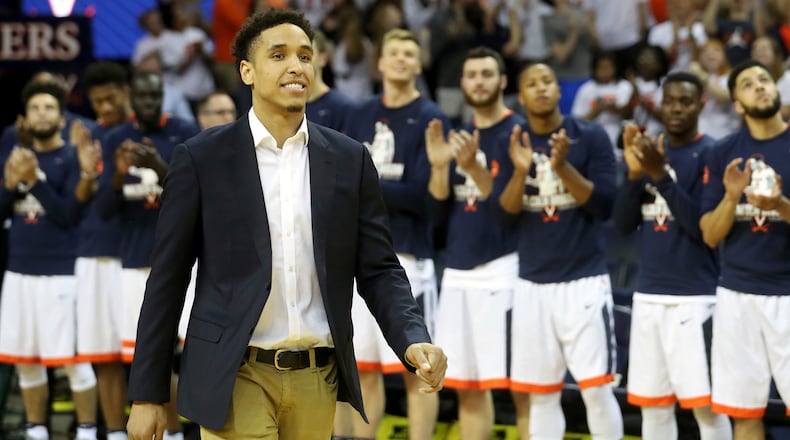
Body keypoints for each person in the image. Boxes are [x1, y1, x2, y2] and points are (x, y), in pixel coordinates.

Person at [125, 9, 446, 440]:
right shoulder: (201, 158)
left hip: (318, 375)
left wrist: (412, 337)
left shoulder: (350, 159)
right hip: (234, 374)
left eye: (305, 56)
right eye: (279, 55)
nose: (296, 66)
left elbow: (379, 267)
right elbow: (167, 278)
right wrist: (148, 394)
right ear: (247, 71)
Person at [492, 63, 623, 439]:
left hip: (584, 281)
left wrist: (562, 168)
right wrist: (521, 171)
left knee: (596, 391)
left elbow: (604, 206)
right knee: (542, 395)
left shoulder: (590, 135)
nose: (541, 88)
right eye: (531, 83)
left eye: (547, 81)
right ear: (521, 95)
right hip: (532, 284)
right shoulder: (510, 140)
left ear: (559, 89)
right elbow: (502, 216)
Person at [342, 28, 449, 440]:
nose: (401, 58)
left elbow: (423, 196)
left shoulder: (431, 117)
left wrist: (365, 184)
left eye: (409, 53)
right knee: (363, 369)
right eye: (394, 52)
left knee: (417, 367)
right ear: (381, 63)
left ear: (418, 64)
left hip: (409, 257)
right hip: (357, 258)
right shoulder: (359, 114)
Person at [613, 72, 732, 440]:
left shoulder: (712, 152)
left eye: (685, 101)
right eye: (670, 102)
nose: (676, 108)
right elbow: (622, 224)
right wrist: (636, 176)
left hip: (695, 298)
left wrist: (660, 176)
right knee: (653, 407)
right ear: (660, 105)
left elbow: (701, 229)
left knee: (706, 408)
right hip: (648, 295)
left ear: (701, 105)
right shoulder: (649, 151)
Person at [95, 69, 199, 440]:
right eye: (143, 97)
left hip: (186, 261)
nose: (150, 103)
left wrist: (160, 168)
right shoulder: (115, 138)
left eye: (156, 96)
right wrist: (118, 176)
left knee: (201, 352)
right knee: (150, 357)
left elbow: (198, 195)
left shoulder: (185, 131)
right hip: (135, 260)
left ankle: (203, 429)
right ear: (131, 97)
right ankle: (170, 433)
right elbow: (104, 210)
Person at [427, 47, 524, 440]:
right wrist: (439, 168)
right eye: (471, 75)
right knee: (466, 387)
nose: (479, 82)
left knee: (520, 389)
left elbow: (510, 211)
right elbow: (438, 213)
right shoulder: (456, 136)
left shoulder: (519, 133)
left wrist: (473, 168)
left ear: (503, 81)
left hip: (503, 267)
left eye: (487, 74)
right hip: (457, 270)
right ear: (462, 83)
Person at [0, 81, 99, 440]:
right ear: (24, 119)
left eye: (49, 108)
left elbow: (68, 215)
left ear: (61, 119)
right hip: (18, 272)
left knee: (74, 361)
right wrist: (10, 185)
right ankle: (36, 430)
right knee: (25, 360)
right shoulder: (13, 156)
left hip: (61, 273)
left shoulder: (72, 158)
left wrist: (33, 181)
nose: (41, 114)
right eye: (35, 108)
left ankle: (87, 431)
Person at [699, 60, 790, 440]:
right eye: (748, 84)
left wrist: (779, 205)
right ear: (737, 104)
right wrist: (731, 197)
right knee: (744, 414)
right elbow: (710, 235)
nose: (760, 87)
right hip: (737, 294)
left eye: (765, 80)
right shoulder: (723, 153)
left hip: (787, 293)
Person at [72, 61, 133, 440]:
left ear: (126, 92)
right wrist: (84, 169)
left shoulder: (145, 133)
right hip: (93, 254)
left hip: (137, 255)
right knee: (104, 357)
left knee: (149, 358)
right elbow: (73, 204)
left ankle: (170, 433)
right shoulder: (87, 139)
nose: (105, 108)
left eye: (111, 98)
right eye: (97, 102)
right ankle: (114, 433)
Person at [306, 30, 355, 133]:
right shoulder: (282, 105)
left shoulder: (342, 107)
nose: (301, 60)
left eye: (307, 53)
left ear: (323, 59)